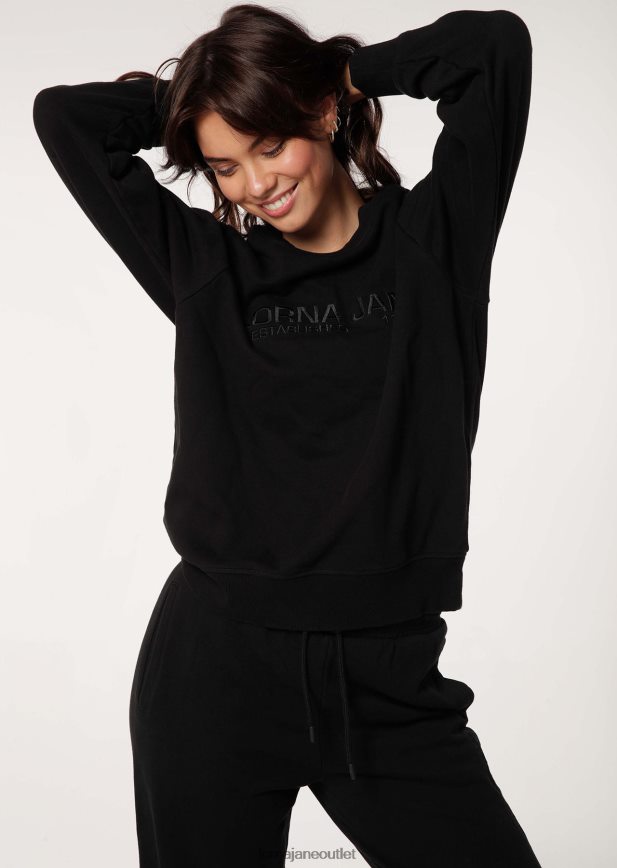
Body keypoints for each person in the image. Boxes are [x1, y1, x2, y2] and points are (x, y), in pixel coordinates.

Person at [32, 4, 542, 866]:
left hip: (388, 681)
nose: (254, 184)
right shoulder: (207, 270)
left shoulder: (435, 242)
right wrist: (210, 98)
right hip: (211, 670)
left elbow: (489, 51)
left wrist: (322, 75)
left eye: (269, 145)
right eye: (224, 166)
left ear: (323, 115)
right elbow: (65, 118)